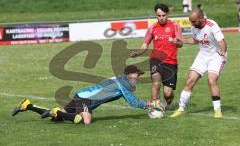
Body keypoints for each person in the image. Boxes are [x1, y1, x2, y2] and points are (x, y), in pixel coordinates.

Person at [12, 65, 164, 125]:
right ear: (129, 75)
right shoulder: (123, 83)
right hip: (86, 98)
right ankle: (56, 111)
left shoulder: (119, 79)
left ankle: (28, 105)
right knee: (84, 120)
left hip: (83, 95)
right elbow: (133, 103)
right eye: (137, 74)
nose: (138, 76)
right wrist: (153, 104)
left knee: (61, 117)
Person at [170, 8, 227, 118]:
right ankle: (181, 109)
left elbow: (222, 41)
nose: (192, 24)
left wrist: (222, 51)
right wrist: (181, 40)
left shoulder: (212, 25)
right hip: (202, 56)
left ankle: (217, 111)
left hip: (216, 56)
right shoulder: (194, 27)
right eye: (191, 21)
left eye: (194, 21)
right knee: (190, 80)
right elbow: (195, 40)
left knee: (211, 80)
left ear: (201, 19)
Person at [129, 3, 183, 109]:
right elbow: (145, 45)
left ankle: (168, 102)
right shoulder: (152, 28)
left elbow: (180, 44)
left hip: (171, 62)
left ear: (167, 14)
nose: (161, 18)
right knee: (156, 80)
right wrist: (138, 53)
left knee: (167, 93)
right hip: (156, 60)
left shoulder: (175, 26)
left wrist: (175, 42)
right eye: (159, 15)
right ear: (156, 15)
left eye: (163, 15)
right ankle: (154, 107)